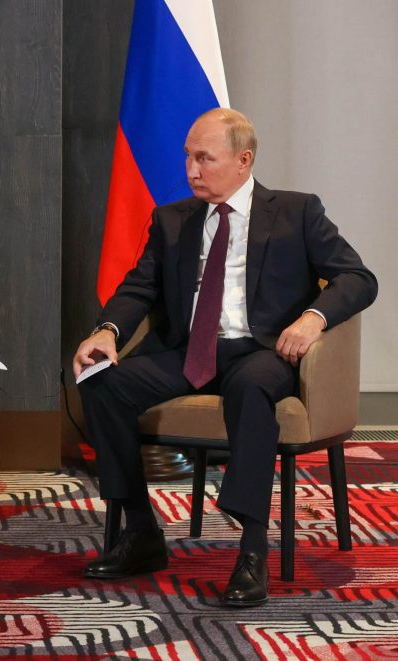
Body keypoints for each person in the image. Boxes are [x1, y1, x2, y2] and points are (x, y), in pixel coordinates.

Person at [73, 108, 376, 607]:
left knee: (249, 386)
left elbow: (358, 278)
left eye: (204, 158)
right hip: (188, 351)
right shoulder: (172, 220)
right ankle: (141, 531)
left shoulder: (297, 212)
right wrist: (107, 331)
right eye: (188, 157)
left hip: (261, 351)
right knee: (100, 381)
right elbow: (139, 288)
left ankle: (252, 550)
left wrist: (313, 318)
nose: (191, 170)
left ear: (243, 160)